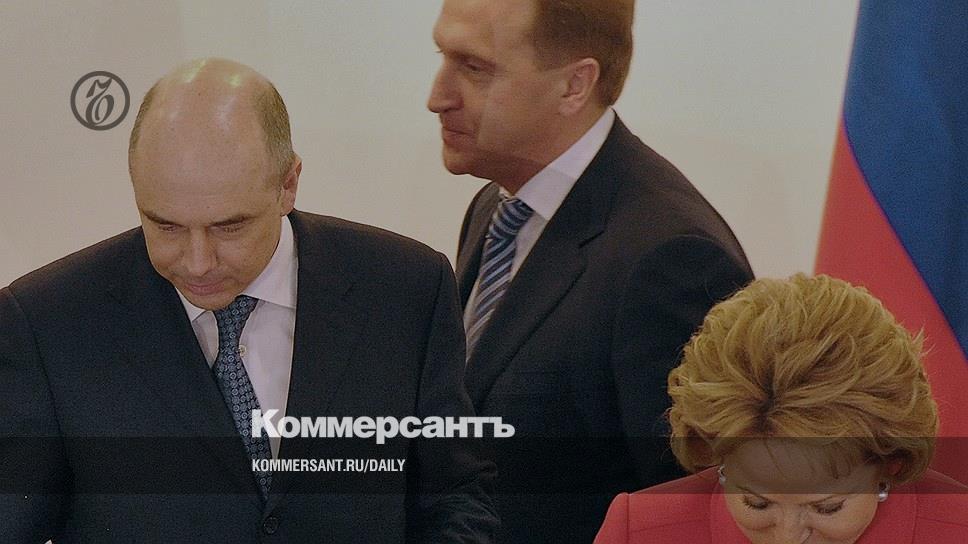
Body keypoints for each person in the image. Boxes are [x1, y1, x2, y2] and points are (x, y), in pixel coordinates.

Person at [0, 58, 498, 543]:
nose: (197, 262)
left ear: (288, 185)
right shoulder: (47, 323)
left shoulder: (404, 288)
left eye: (229, 227)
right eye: (165, 226)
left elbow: (455, 496)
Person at [427, 0, 753, 541]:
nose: (437, 96)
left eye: (475, 68)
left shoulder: (672, 258)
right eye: (443, 57)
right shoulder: (499, 207)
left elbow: (690, 510)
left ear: (574, 85)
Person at [595, 274, 968, 544]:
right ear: (718, 458)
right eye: (757, 503)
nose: (787, 537)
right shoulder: (639, 532)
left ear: (890, 465)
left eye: (827, 508)